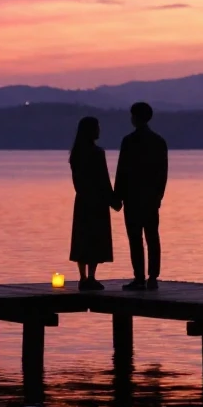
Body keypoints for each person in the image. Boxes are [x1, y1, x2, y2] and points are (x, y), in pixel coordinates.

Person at [114, 102, 168, 290]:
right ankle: (152, 277)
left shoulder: (128, 141)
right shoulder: (158, 141)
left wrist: (117, 196)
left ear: (136, 117)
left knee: (135, 238)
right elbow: (163, 173)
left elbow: (122, 171)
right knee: (152, 237)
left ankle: (139, 277)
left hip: (133, 198)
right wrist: (158, 196)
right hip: (150, 199)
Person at [68, 116, 118, 290]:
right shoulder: (97, 153)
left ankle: (82, 277)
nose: (99, 130)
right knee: (95, 237)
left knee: (82, 237)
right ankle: (91, 277)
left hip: (82, 200)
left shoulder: (75, 154)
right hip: (97, 201)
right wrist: (113, 200)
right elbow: (103, 180)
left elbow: (78, 181)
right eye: (97, 127)